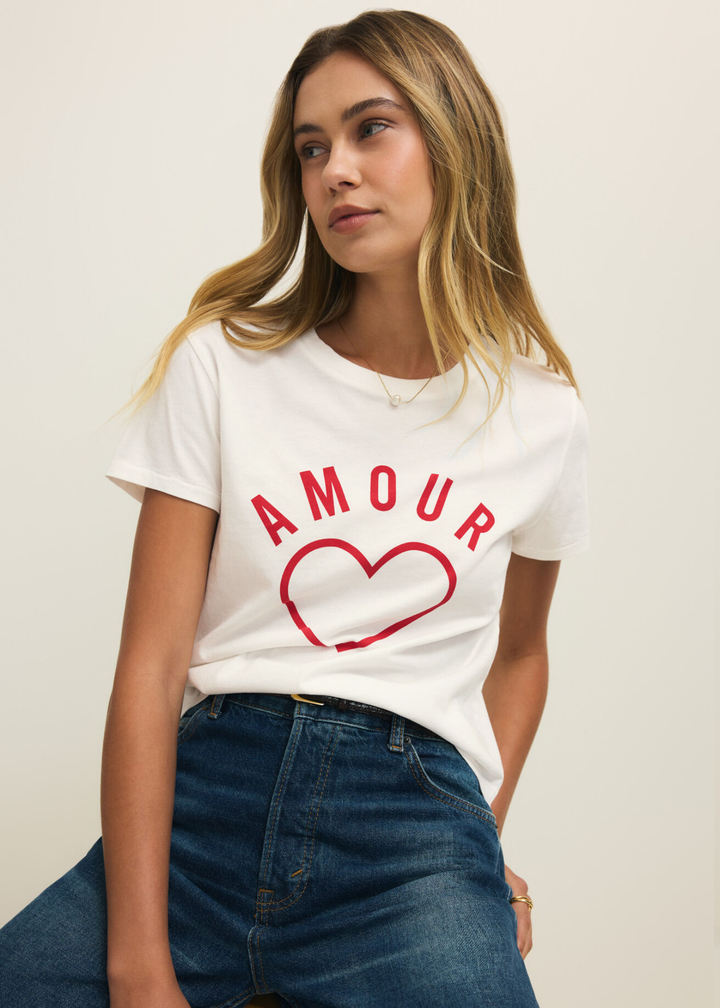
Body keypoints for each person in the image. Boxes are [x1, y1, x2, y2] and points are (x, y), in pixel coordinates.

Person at [0, 9, 590, 1007]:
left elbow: (523, 654)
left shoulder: (542, 414)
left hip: (412, 833)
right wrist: (141, 968)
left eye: (370, 128)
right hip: (204, 810)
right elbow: (150, 667)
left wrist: (473, 853)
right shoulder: (225, 364)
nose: (335, 171)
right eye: (311, 148)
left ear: (456, 139)